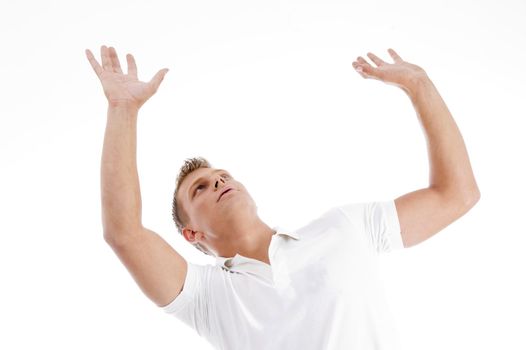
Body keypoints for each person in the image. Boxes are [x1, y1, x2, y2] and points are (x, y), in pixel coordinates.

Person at [86, 45, 480, 350]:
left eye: (223, 175)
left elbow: (456, 194)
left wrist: (420, 85)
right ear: (192, 235)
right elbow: (124, 232)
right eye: (200, 188)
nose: (219, 182)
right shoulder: (208, 297)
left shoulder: (344, 227)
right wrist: (123, 109)